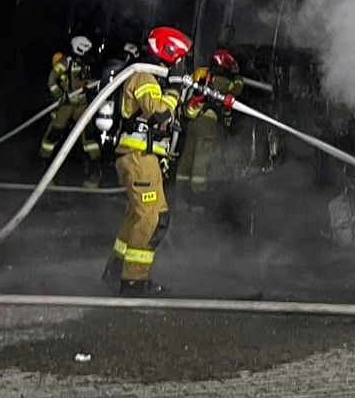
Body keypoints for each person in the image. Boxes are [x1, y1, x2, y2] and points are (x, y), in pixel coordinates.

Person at [103, 26, 192, 296]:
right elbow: (160, 114)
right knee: (149, 219)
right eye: (180, 58)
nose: (181, 64)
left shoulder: (153, 79)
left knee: (150, 215)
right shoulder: (144, 77)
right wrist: (175, 90)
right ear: (168, 53)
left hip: (144, 160)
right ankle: (134, 281)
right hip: (139, 159)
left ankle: (116, 269)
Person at [179, 48, 244, 199]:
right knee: (201, 163)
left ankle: (181, 199)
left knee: (186, 160)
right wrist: (237, 76)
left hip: (193, 121)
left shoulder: (201, 75)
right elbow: (236, 89)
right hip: (207, 124)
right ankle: (198, 202)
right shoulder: (219, 80)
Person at [38, 35, 95, 160]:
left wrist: (89, 87)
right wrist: (60, 95)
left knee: (89, 133)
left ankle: (94, 161)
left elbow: (86, 80)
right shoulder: (65, 63)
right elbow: (51, 81)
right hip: (66, 104)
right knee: (55, 132)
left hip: (81, 104)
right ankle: (44, 158)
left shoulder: (86, 65)